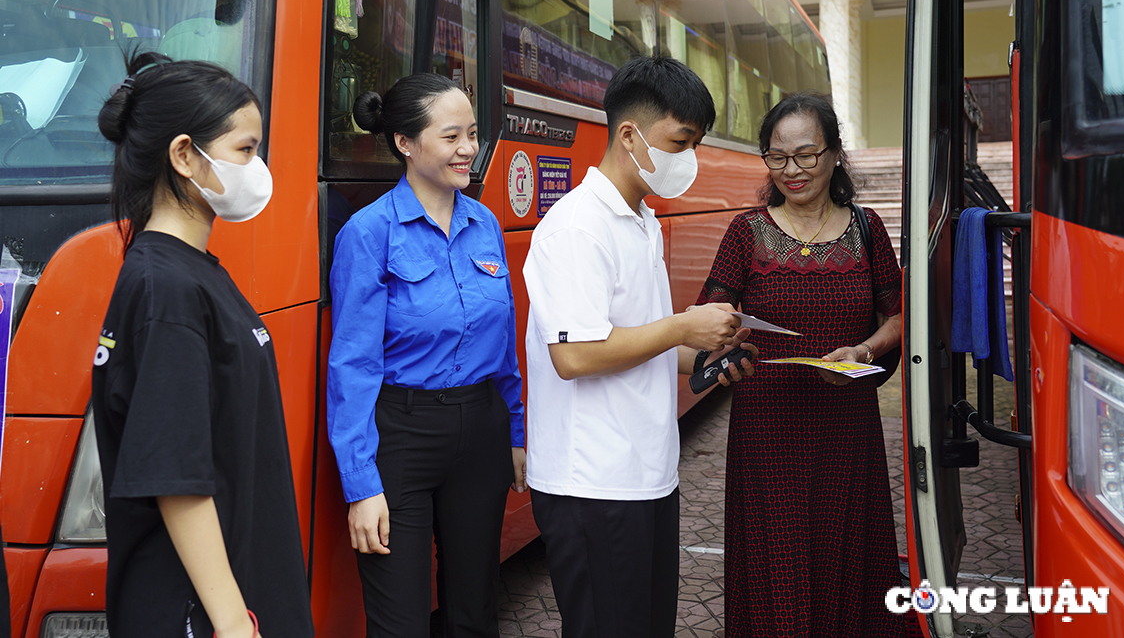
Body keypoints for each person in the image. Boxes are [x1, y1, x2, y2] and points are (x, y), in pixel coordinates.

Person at [523, 55, 757, 638]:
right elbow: (575, 355)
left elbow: (640, 342)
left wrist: (707, 352)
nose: (689, 160)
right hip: (593, 484)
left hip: (647, 472)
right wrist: (682, 326)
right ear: (629, 133)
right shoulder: (577, 227)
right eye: (680, 141)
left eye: (696, 144)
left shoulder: (641, 218)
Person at [90, 52, 314, 638]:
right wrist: (232, 620)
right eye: (245, 149)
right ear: (185, 155)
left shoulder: (188, 272)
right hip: (202, 613)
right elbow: (176, 477)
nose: (257, 167)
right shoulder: (165, 287)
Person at [696, 92, 904, 637]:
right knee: (776, 562)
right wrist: (727, 344)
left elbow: (900, 318)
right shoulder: (746, 233)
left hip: (846, 429)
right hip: (768, 430)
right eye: (777, 156)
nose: (792, 170)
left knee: (847, 553)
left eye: (807, 155)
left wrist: (864, 351)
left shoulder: (867, 230)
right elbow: (706, 320)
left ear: (835, 155)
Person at [326, 75, 526, 638]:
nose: (469, 149)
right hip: (402, 437)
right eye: (451, 136)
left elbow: (502, 345)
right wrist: (362, 486)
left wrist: (514, 432)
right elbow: (353, 367)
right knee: (400, 621)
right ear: (405, 144)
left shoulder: (483, 222)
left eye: (472, 134)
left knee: (473, 612)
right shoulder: (369, 234)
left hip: (481, 430)